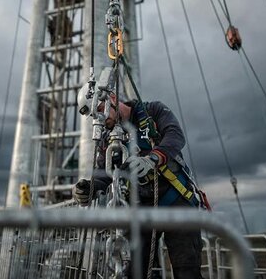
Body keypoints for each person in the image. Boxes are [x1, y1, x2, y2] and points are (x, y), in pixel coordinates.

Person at [73, 83, 205, 279]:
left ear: (113, 99)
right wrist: (90, 188)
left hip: (176, 201)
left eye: (101, 110)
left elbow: (175, 135)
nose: (101, 118)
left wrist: (153, 158)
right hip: (143, 208)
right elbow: (104, 171)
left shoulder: (152, 111)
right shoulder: (109, 138)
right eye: (95, 115)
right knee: (137, 271)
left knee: (186, 270)